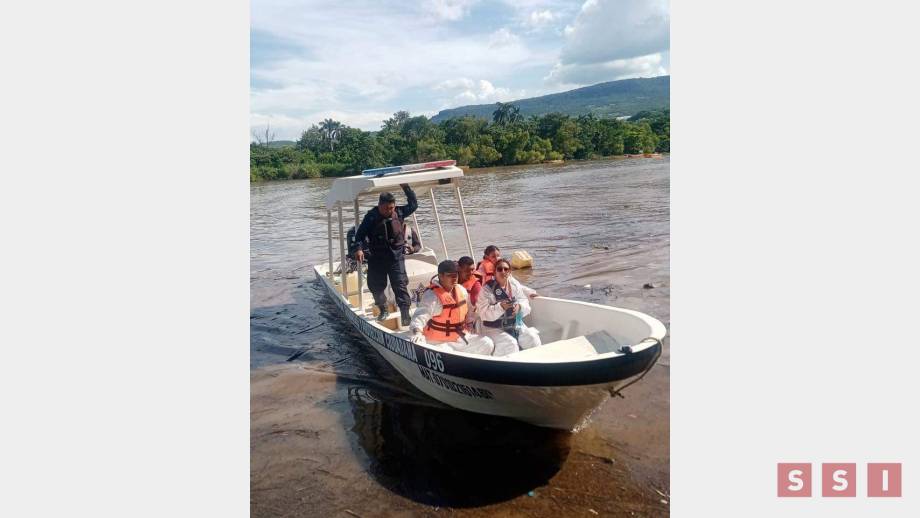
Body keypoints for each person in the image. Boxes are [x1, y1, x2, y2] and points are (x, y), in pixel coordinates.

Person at [354, 184, 418, 326]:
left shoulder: (399, 212)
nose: (389, 211)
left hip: (396, 257)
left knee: (400, 285)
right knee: (376, 287)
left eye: (392, 208)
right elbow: (359, 236)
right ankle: (383, 309)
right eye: (386, 208)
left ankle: (405, 314)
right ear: (379, 206)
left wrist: (406, 188)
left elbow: (413, 205)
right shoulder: (371, 217)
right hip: (377, 258)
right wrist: (358, 249)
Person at [409, 260, 494, 355]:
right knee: (447, 353)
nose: (454, 279)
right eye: (450, 276)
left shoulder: (461, 290)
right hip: (438, 343)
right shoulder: (431, 296)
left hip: (459, 338)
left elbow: (470, 311)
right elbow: (419, 317)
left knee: (487, 343)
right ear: (441, 276)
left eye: (456, 275)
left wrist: (471, 324)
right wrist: (417, 332)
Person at [476, 258, 542, 356]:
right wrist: (501, 307)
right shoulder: (486, 290)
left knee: (532, 337)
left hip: (515, 323)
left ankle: (537, 364)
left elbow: (523, 300)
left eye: (506, 269)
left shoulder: (514, 285)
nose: (503, 271)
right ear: (494, 272)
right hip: (493, 327)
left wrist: (520, 307)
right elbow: (483, 313)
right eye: (499, 269)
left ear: (509, 272)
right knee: (510, 344)